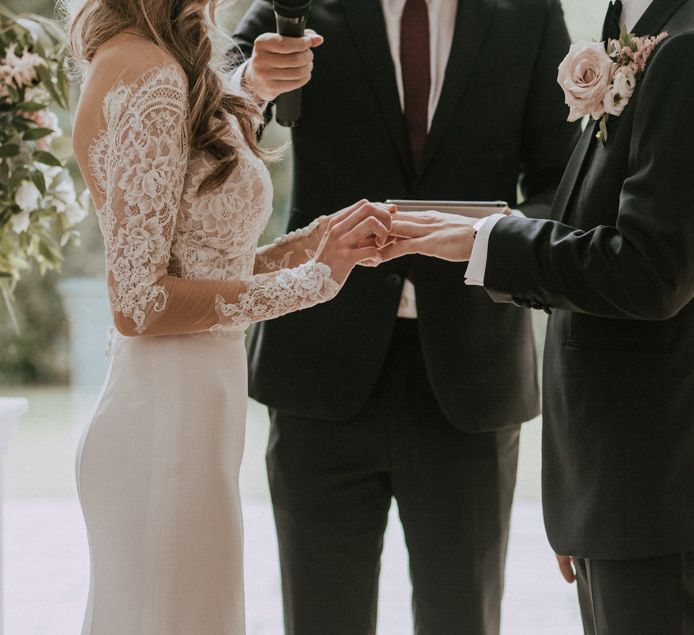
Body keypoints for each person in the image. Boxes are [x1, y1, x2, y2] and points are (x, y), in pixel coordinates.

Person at [233, 1, 578, 633]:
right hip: (319, 368)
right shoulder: (297, 4)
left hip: (472, 374)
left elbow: (561, 181)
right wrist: (250, 83)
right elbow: (209, 122)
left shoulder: (528, 12)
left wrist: (488, 238)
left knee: (463, 619)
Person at [65, 0, 392, 632]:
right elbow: (140, 302)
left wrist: (317, 243)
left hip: (187, 413)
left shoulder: (147, 59)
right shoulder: (155, 76)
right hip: (168, 426)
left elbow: (193, 263)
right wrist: (311, 283)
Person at [381, 0, 694, 632]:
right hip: (618, 483)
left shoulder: (684, 51)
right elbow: (596, 230)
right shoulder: (635, 32)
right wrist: (487, 233)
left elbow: (653, 271)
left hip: (654, 485)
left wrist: (491, 243)